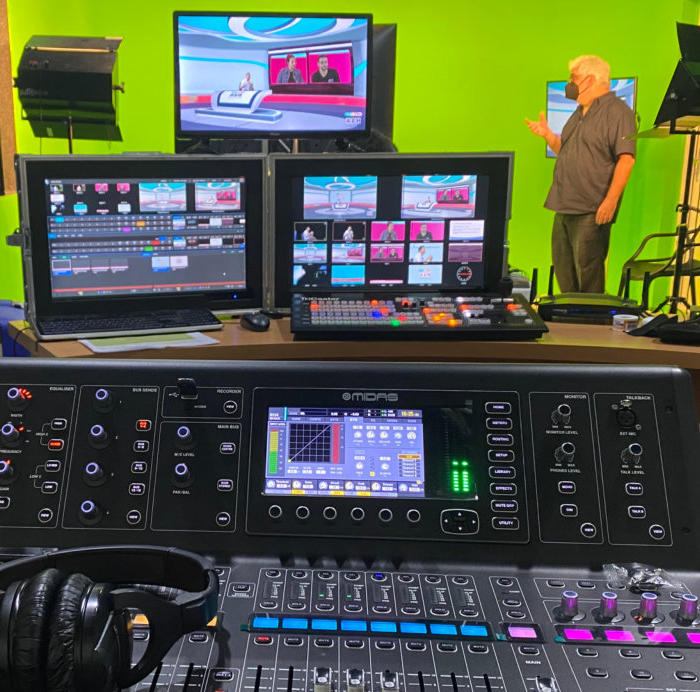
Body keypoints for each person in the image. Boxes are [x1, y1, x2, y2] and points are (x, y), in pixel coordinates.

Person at [526, 55, 636, 293]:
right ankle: (569, 316)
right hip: (563, 205)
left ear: (590, 80)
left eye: (573, 77)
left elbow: (626, 159)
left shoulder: (618, 112)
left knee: (588, 277)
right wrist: (548, 136)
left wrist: (611, 201)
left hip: (591, 209)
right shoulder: (578, 113)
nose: (570, 83)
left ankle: (591, 317)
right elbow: (566, 152)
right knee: (564, 274)